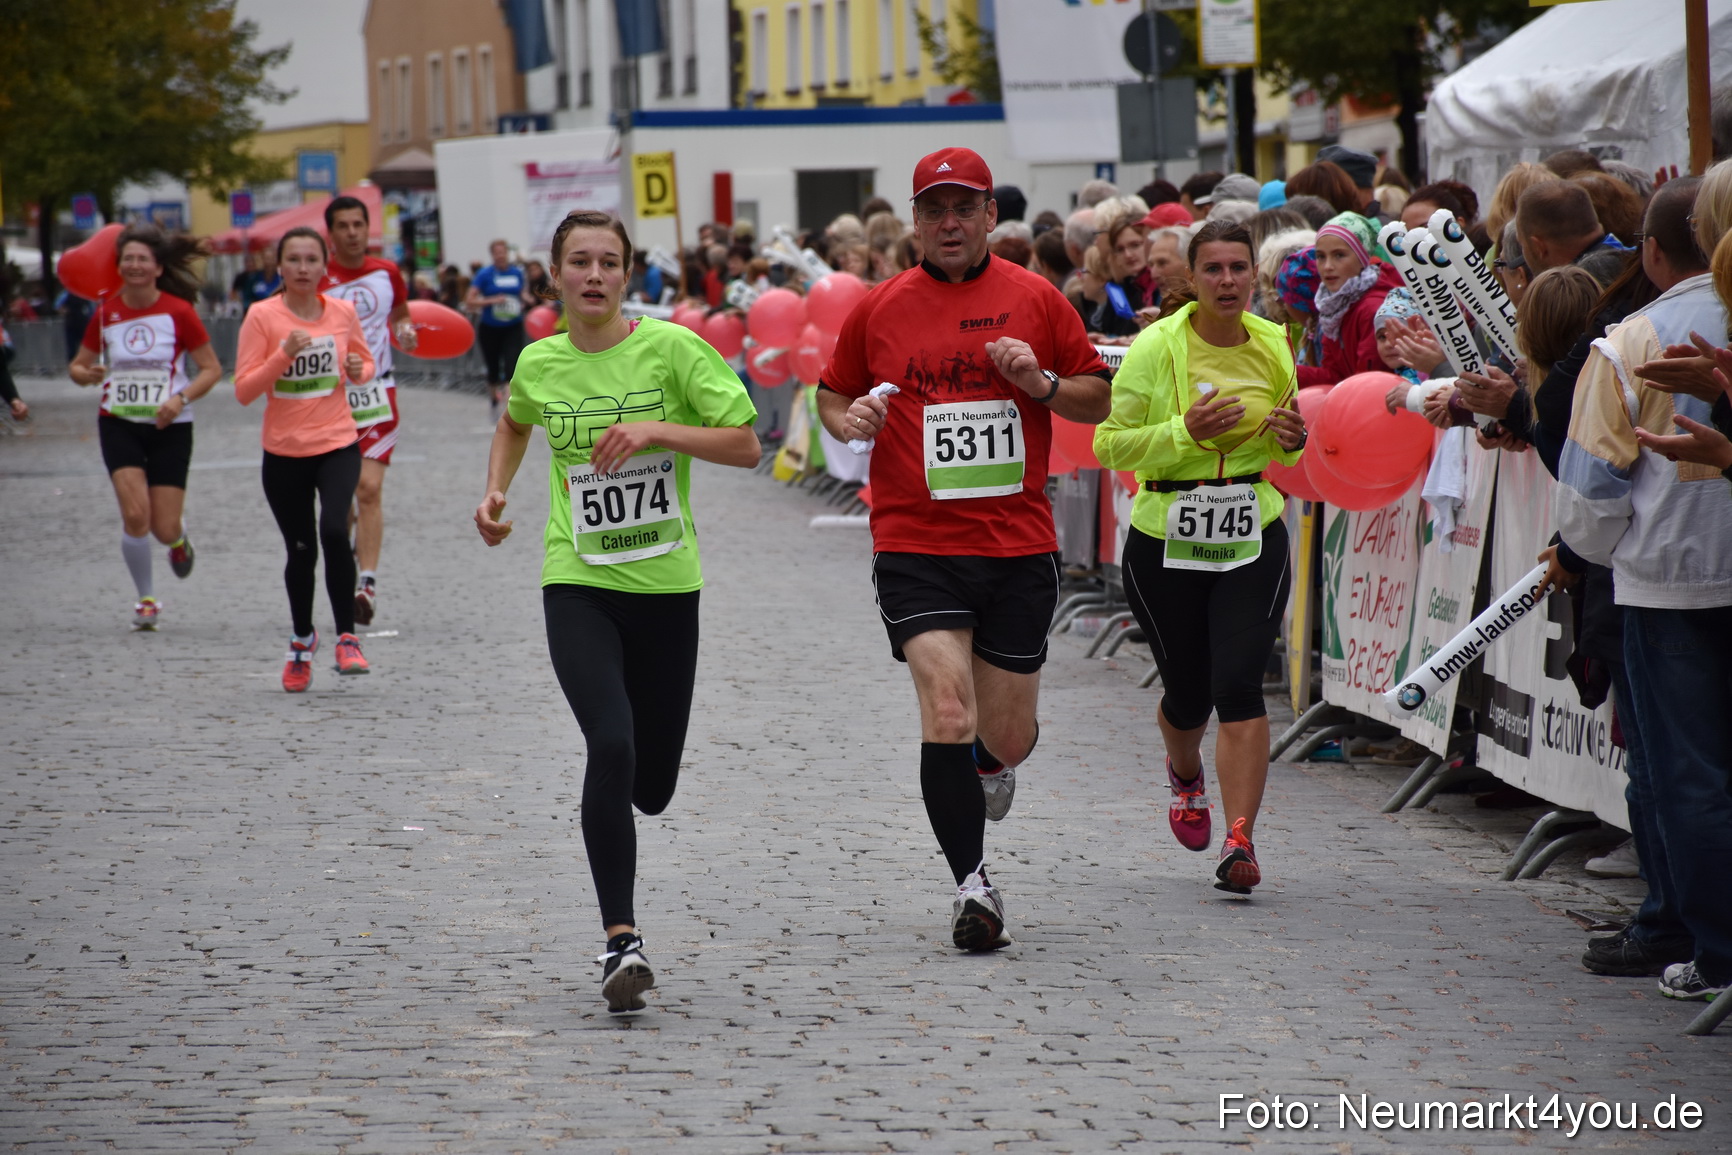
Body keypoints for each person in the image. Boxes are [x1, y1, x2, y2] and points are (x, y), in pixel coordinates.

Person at [816, 148, 1113, 951]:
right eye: (934, 209)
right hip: (915, 540)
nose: (949, 223)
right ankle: (972, 887)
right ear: (915, 221)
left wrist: (1042, 384)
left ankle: (991, 761)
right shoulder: (880, 307)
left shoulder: (1036, 298)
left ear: (989, 216)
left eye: (964, 208)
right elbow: (831, 390)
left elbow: (1097, 394)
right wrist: (848, 423)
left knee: (1007, 733)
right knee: (947, 709)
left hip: (1016, 544)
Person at [474, 210, 759, 1013]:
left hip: (667, 586)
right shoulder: (539, 360)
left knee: (654, 783)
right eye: (578, 262)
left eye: (608, 262)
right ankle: (620, 939)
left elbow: (746, 443)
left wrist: (654, 429)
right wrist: (495, 489)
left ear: (628, 275)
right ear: (554, 273)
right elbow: (514, 423)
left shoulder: (671, 349)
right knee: (611, 740)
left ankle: (635, 825)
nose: (593, 275)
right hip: (579, 580)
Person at [1093, 219, 1307, 898]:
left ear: (1253, 275)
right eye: (1212, 269)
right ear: (1193, 275)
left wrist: (1295, 437)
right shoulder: (1157, 345)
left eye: (1238, 268)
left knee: (1238, 684)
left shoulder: (1274, 341)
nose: (1227, 281)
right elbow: (1108, 444)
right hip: (1165, 535)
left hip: (1252, 528)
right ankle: (1185, 776)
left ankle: (1240, 836)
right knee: (1188, 694)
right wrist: (1182, 432)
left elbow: (1289, 445)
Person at [1557, 179, 1732, 1004]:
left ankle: (1716, 947)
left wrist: (1598, 551)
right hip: (1681, 576)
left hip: (1668, 584)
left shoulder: (1631, 340)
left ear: (1654, 253)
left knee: (1685, 773)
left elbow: (1589, 495)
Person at [233, 227, 376, 691]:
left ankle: (347, 638)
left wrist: (359, 369)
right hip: (284, 452)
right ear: (280, 268)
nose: (301, 268)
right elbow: (244, 390)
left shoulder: (342, 311)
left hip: (336, 442)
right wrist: (282, 355)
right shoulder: (261, 316)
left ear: (323, 267)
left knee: (335, 529)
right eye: (292, 259)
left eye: (310, 259)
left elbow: (364, 363)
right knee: (301, 550)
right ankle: (301, 641)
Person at [67, 223, 222, 630]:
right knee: (136, 515)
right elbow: (76, 366)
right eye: (128, 259)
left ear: (157, 267)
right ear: (118, 265)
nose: (134, 265)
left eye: (142, 259)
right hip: (118, 422)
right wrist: (87, 374)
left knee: (162, 525)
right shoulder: (107, 313)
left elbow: (211, 369)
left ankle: (177, 540)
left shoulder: (178, 312)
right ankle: (146, 599)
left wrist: (179, 398)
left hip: (170, 425)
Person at [320, 195, 417, 627]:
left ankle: (368, 585)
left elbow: (399, 316)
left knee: (369, 490)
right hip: (327, 399)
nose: (353, 232)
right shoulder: (315, 276)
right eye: (343, 225)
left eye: (359, 224)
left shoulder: (387, 271)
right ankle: (346, 570)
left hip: (377, 393)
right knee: (341, 504)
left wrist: (406, 331)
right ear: (332, 233)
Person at [1296, 213, 1403, 387]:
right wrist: (1283, 372)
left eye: (1339, 255)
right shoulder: (1334, 306)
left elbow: (1368, 384)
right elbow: (1335, 376)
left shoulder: (1373, 309)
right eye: (1321, 256)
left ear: (1362, 258)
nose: (1327, 266)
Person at [466, 239, 531, 416]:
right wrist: (492, 301)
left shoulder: (516, 273)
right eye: (497, 252)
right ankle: (494, 398)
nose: (501, 255)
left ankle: (509, 405)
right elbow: (470, 300)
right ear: (492, 254)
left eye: (503, 252)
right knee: (493, 366)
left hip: (513, 325)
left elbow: (522, 293)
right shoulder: (484, 274)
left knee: (512, 364)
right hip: (490, 327)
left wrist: (526, 300)